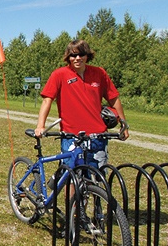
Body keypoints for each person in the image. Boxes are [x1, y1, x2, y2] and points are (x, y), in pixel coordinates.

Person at [35, 39, 129, 169]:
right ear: (68, 57)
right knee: (72, 176)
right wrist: (41, 126)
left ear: (87, 56)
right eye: (73, 55)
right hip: (71, 135)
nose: (77, 58)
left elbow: (113, 99)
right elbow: (47, 100)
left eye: (81, 54)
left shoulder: (99, 73)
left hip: (98, 136)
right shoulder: (59, 74)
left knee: (97, 176)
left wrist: (123, 124)